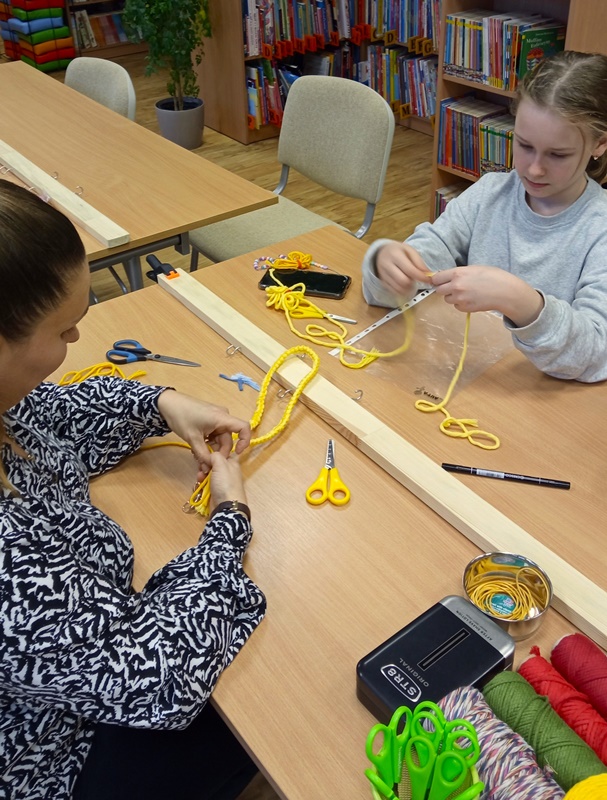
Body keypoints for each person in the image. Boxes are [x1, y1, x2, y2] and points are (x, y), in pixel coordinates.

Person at [0, 180, 266, 799]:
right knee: (257, 709)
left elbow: (53, 419)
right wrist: (229, 522)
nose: (74, 348)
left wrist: (162, 402)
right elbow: (155, 674)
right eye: (64, 331)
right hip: (47, 754)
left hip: (77, 681)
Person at [362, 50, 607, 383]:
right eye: (523, 145)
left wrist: (523, 304)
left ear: (599, 144)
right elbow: (418, 263)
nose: (534, 168)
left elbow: (595, 355)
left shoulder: (598, 228)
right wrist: (386, 263)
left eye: (558, 154)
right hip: (471, 379)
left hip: (540, 403)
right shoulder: (490, 193)